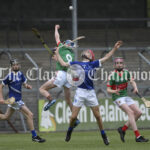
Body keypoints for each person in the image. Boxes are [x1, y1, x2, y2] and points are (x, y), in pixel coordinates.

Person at [55, 40, 123, 145]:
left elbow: (106, 57)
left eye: (88, 52)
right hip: (80, 92)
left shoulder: (93, 63)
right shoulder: (76, 63)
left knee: (98, 117)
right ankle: (69, 131)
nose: (85, 51)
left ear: (91, 56)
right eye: (85, 51)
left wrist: (114, 48)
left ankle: (104, 135)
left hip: (91, 93)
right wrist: (57, 53)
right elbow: (63, 63)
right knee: (73, 117)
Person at [39, 24, 80, 127]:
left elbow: (57, 37)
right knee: (68, 99)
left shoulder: (61, 48)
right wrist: (56, 54)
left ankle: (51, 99)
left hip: (61, 74)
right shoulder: (72, 53)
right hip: (69, 77)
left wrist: (55, 29)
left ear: (64, 44)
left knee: (42, 89)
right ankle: (75, 118)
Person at [0, 59, 45, 143]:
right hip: (14, 100)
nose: (16, 66)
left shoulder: (21, 74)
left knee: (5, 116)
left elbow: (24, 84)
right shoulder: (9, 76)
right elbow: (0, 86)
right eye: (14, 65)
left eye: (17, 64)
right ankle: (34, 136)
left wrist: (27, 86)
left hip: (17, 100)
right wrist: (1, 98)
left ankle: (34, 136)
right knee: (30, 115)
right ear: (11, 66)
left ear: (19, 65)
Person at [107, 57, 149, 142]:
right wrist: (114, 91)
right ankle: (138, 136)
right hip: (117, 97)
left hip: (125, 96)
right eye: (117, 63)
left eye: (120, 63)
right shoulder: (111, 75)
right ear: (114, 65)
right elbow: (108, 90)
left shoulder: (127, 73)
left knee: (139, 113)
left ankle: (123, 129)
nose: (119, 64)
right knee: (131, 112)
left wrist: (135, 88)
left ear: (123, 64)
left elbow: (132, 81)